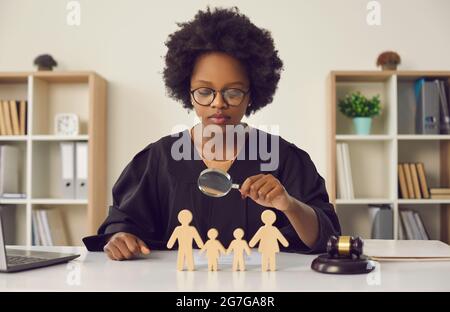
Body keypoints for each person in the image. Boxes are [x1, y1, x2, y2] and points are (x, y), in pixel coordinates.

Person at [83, 6, 341, 261]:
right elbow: (121, 224)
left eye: (233, 92)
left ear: (251, 95)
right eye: (205, 92)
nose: (218, 103)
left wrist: (290, 205)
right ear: (188, 92)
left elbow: (326, 238)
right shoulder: (158, 159)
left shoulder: (285, 159)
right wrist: (119, 238)